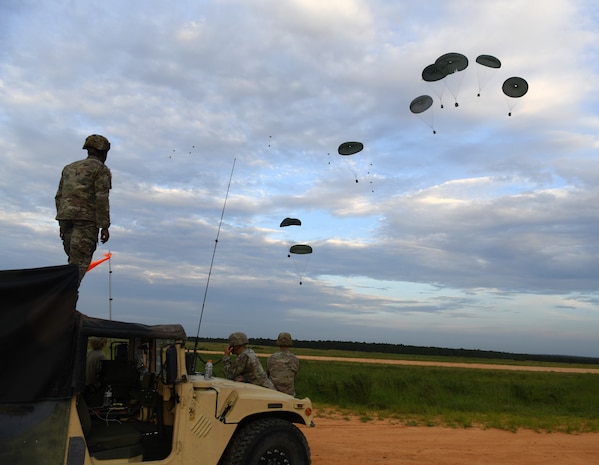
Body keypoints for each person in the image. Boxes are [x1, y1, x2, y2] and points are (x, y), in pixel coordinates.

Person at [55, 134, 112, 285]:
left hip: (66, 219)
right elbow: (101, 199)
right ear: (103, 151)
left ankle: (65, 301)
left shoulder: (69, 168)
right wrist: (104, 227)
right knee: (78, 266)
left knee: (72, 263)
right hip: (86, 222)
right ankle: (62, 302)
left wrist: (61, 223)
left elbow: (59, 196)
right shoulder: (101, 170)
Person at [267, 332, 300, 396]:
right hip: (289, 393)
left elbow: (268, 373)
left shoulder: (271, 358)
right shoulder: (294, 359)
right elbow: (294, 374)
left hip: (273, 392)